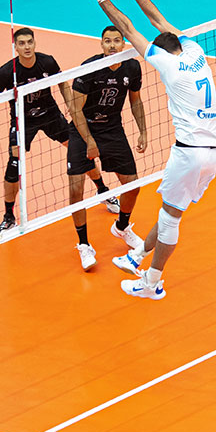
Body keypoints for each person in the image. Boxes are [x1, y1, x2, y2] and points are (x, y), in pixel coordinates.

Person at [87, 0, 216, 301]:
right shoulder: (194, 51)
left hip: (190, 152)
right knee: (171, 210)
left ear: (161, 52)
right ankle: (136, 256)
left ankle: (151, 283)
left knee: (170, 219)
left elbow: (128, 27)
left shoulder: (168, 65)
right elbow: (158, 19)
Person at [0, 27, 91, 239]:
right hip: (22, 120)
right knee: (14, 164)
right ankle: (8, 216)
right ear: (15, 47)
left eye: (30, 42)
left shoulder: (47, 62)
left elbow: (63, 84)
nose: (27, 47)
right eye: (21, 44)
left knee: (78, 148)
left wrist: (72, 107)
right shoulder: (6, 72)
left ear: (35, 43)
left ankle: (103, 189)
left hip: (50, 115)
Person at [67, 25, 149, 270]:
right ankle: (84, 244)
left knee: (132, 185)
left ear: (123, 44)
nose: (112, 45)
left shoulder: (132, 67)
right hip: (83, 129)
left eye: (116, 41)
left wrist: (143, 131)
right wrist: (89, 141)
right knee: (75, 189)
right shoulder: (89, 69)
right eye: (107, 41)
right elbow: (75, 110)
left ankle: (121, 227)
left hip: (112, 129)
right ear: (101, 44)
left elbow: (136, 100)